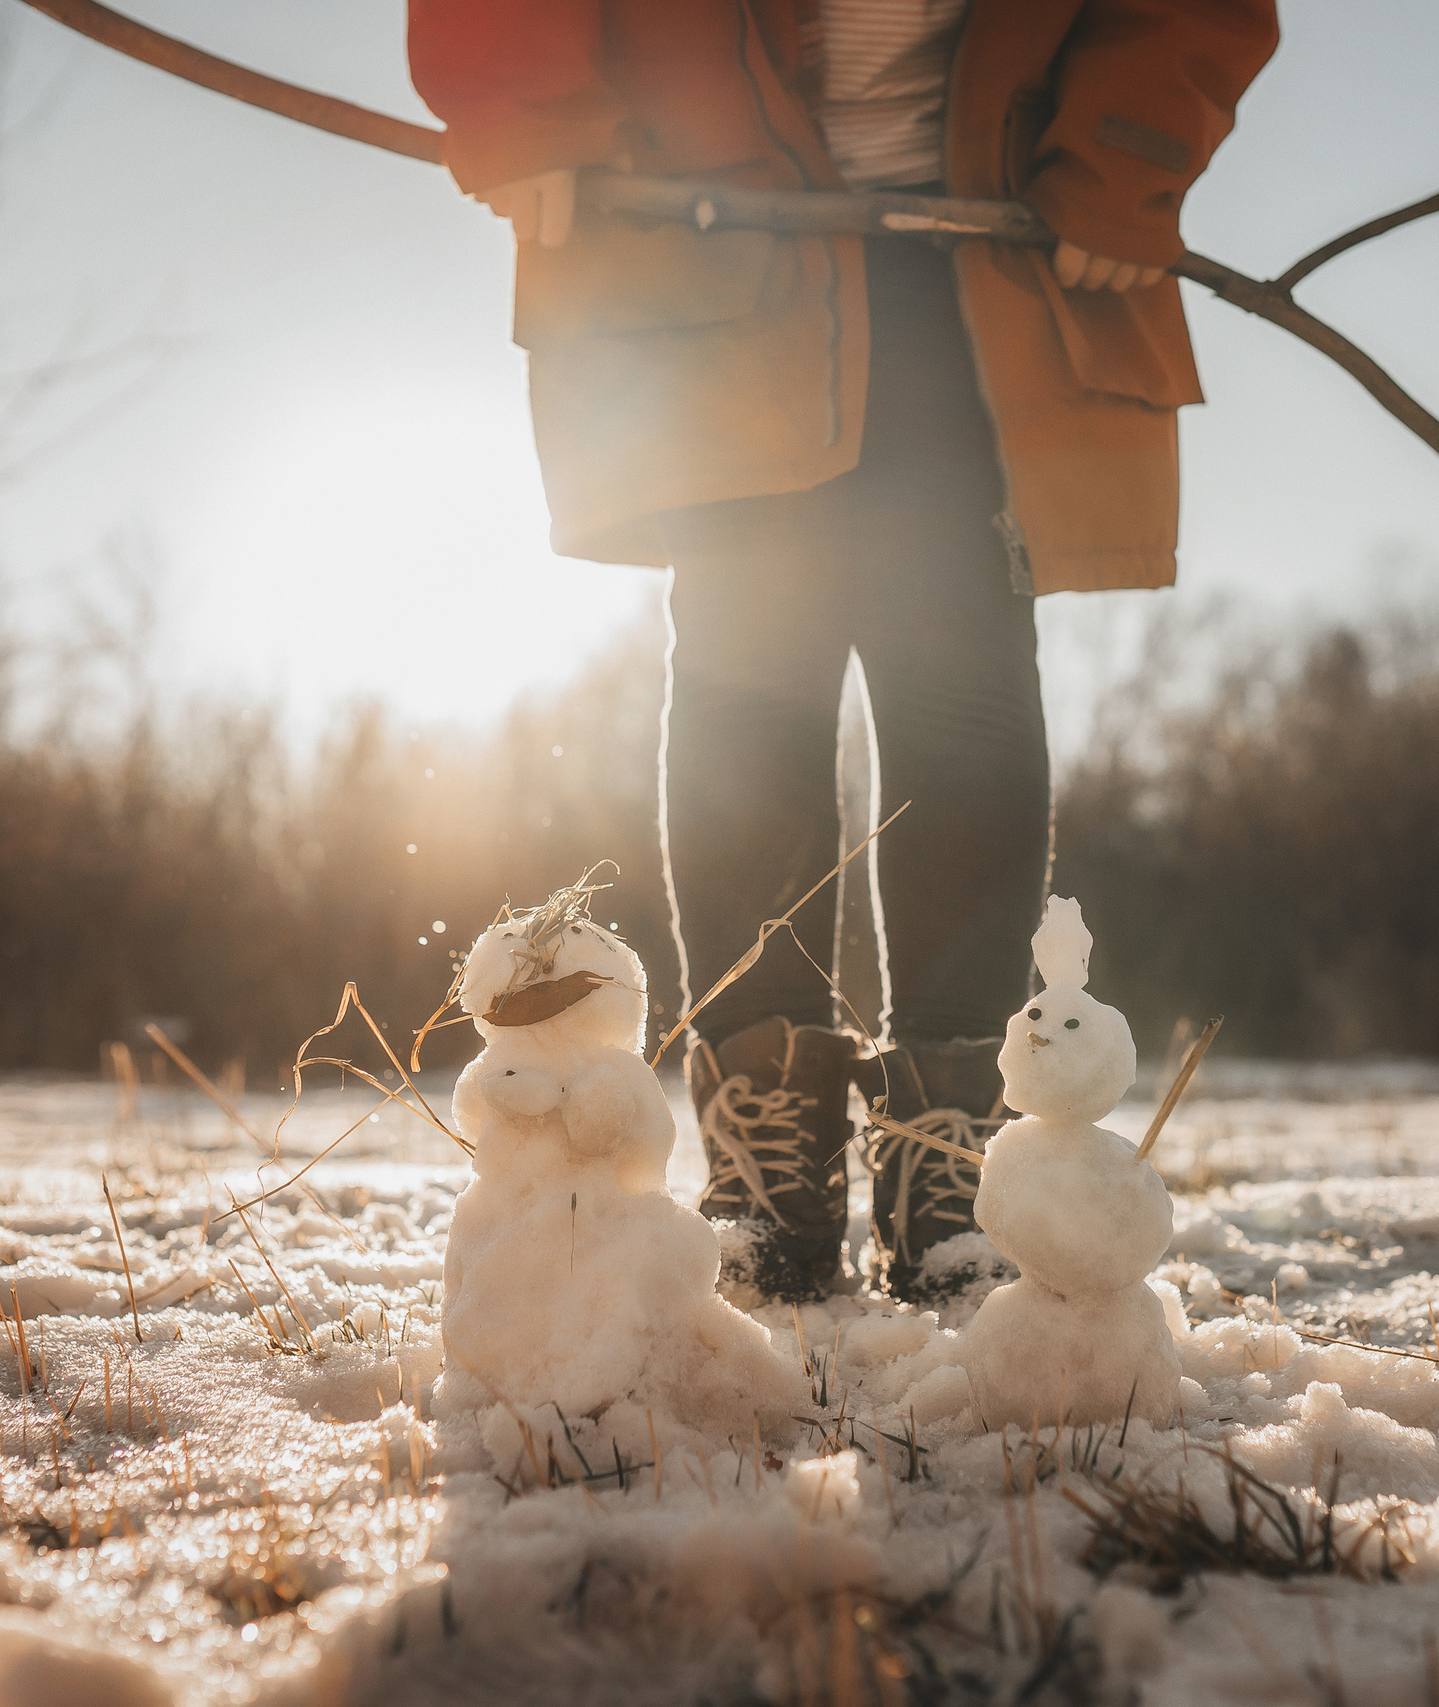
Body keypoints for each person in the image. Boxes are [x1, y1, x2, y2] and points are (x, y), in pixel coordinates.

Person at [409, 0, 1278, 1304]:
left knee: (965, 702)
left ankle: (946, 1150)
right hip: (704, 237)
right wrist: (523, 92)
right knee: (748, 686)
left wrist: (1120, 155)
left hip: (985, 256)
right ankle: (770, 1154)